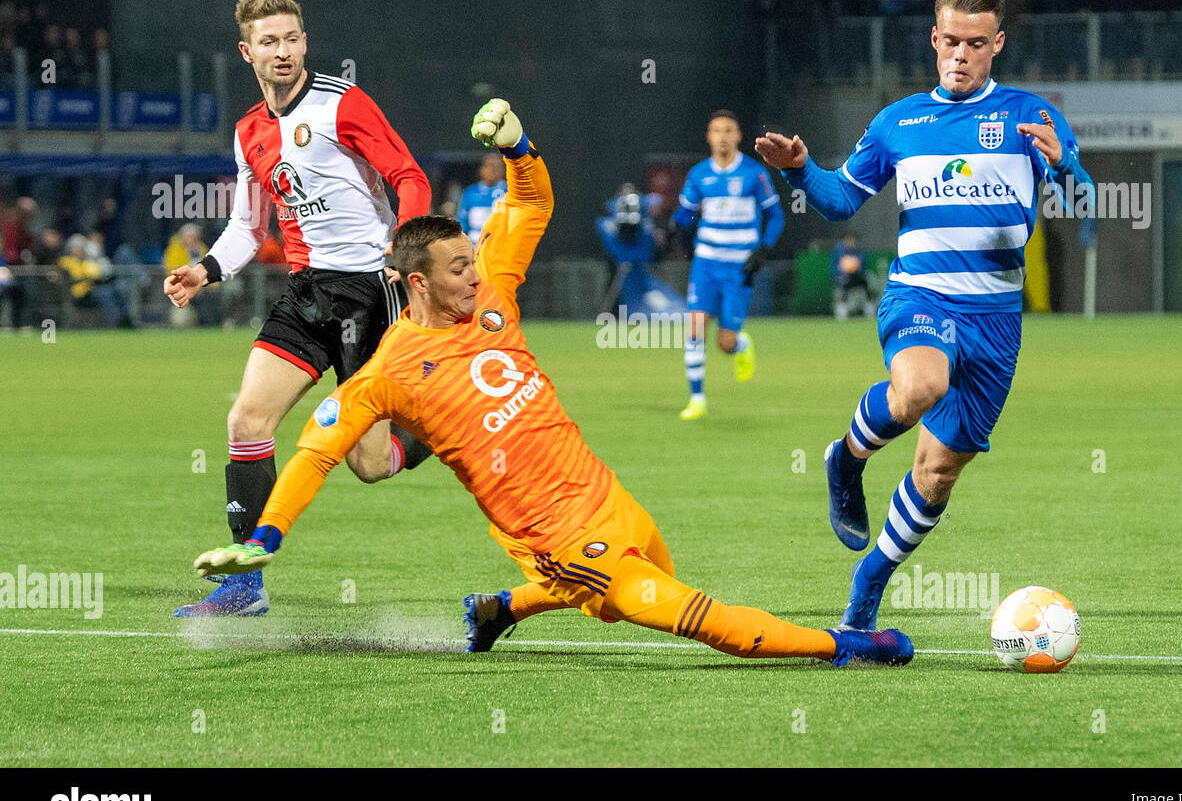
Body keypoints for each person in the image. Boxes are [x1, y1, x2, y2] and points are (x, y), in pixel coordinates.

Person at [191, 99, 913, 670]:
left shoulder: (491, 292)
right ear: (417, 284)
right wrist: (267, 535)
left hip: (613, 498)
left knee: (646, 577)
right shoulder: (386, 376)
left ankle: (501, 610)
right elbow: (319, 452)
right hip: (566, 546)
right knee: (705, 620)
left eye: (474, 261)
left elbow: (531, 204)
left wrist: (518, 147)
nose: (476, 274)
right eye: (458, 270)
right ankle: (847, 646)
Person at [755, 0, 1094, 633]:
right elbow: (838, 200)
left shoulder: (1033, 116)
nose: (961, 55)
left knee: (937, 474)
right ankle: (847, 458)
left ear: (997, 43)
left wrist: (1066, 171)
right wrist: (799, 168)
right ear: (934, 39)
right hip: (920, 295)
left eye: (975, 43)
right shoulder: (897, 123)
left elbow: (1084, 213)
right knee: (918, 388)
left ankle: (868, 583)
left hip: (996, 324)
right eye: (950, 42)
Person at [163, 0, 434, 617]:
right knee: (246, 421)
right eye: (268, 42)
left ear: (304, 42)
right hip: (307, 292)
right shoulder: (248, 131)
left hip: (370, 289)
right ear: (247, 52)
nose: (281, 51)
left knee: (370, 464)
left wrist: (403, 248)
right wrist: (204, 270)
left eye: (291, 39)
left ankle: (438, 426)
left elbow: (410, 177)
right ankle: (244, 585)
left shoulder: (343, 103)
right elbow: (250, 227)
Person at [671, 110, 784, 420]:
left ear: (737, 136)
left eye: (728, 130)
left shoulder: (753, 173)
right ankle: (697, 399)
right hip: (706, 262)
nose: (722, 135)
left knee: (725, 342)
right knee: (695, 328)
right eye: (716, 130)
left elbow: (776, 216)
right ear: (709, 137)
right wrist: (673, 228)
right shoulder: (698, 175)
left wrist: (763, 249)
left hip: (739, 267)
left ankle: (741, 344)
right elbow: (684, 214)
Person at [455, 151, 506, 246]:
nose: (492, 170)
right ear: (481, 169)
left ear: (503, 170)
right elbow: (462, 220)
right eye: (489, 166)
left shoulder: (510, 191)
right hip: (475, 244)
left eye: (497, 167)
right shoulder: (470, 192)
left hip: (501, 244)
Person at [831, 233, 873, 320]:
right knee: (843, 287)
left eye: (852, 239)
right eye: (848, 239)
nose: (850, 242)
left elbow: (864, 267)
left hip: (857, 277)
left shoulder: (859, 251)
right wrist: (842, 273)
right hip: (843, 278)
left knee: (866, 284)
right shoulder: (839, 251)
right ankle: (842, 310)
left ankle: (869, 309)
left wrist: (856, 268)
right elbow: (834, 267)